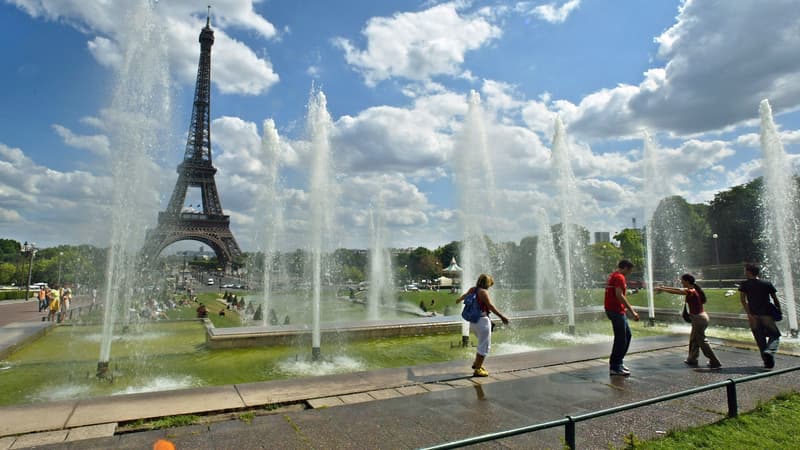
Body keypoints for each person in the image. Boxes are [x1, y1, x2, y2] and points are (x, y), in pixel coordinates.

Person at [655, 274, 722, 369]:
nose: (681, 282)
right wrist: (662, 287)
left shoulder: (691, 291)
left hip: (699, 319)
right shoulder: (692, 289)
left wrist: (663, 290)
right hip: (700, 318)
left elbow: (677, 292)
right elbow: (677, 289)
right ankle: (692, 358)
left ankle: (715, 361)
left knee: (702, 341)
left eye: (682, 280)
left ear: (687, 281)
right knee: (694, 339)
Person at [455, 274, 509, 377]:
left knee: (481, 344)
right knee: (484, 346)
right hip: (482, 322)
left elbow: (464, 296)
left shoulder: (473, 289)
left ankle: (477, 363)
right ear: (487, 283)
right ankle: (478, 369)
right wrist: (502, 317)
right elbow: (490, 306)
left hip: (473, 322)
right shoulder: (483, 292)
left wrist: (458, 300)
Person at [738, 263, 782, 368]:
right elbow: (775, 299)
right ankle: (770, 352)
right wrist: (779, 310)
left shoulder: (744, 284)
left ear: (749, 272)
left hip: (754, 316)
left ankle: (767, 362)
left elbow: (743, 301)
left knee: (760, 339)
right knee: (775, 335)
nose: (744, 273)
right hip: (766, 314)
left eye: (745, 271)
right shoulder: (767, 283)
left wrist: (749, 314)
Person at [605, 260, 640, 376]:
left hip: (614, 309)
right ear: (625, 268)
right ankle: (615, 366)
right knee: (621, 338)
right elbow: (619, 295)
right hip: (615, 311)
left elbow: (618, 293)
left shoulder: (613, 275)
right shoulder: (619, 277)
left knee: (627, 336)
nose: (630, 272)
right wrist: (632, 311)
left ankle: (618, 362)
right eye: (630, 270)